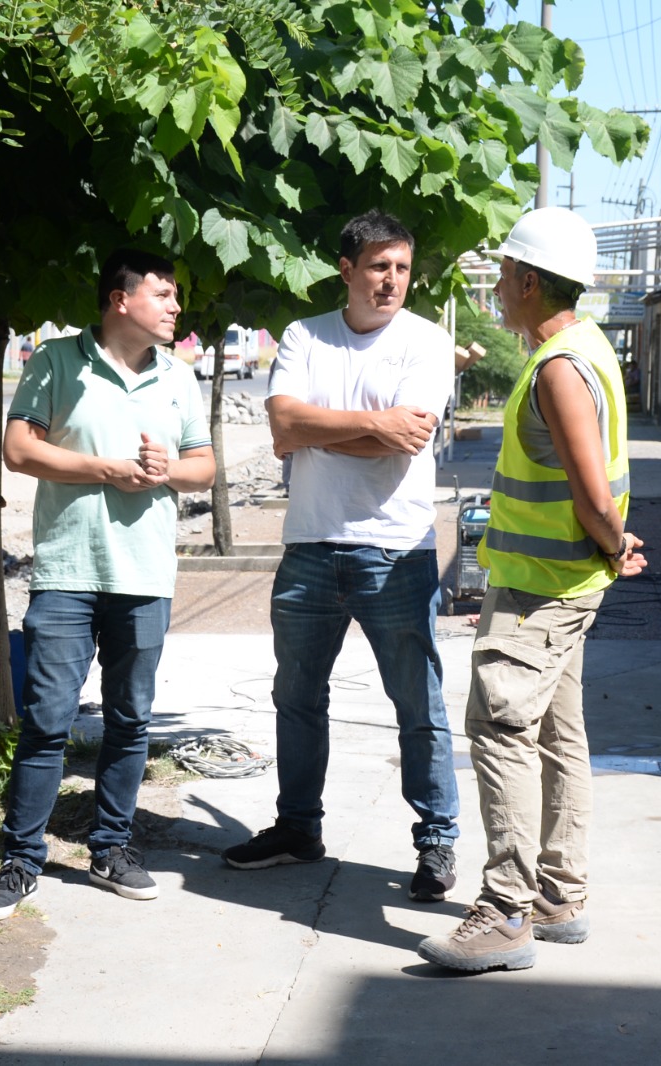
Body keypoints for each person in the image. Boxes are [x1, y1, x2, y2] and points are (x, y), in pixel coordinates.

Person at [418, 207, 643, 973]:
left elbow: (591, 492)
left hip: (540, 592)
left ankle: (507, 910)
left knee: (501, 729)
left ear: (529, 282)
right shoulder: (586, 349)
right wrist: (613, 545)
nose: (497, 285)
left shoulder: (557, 368)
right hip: (562, 581)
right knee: (556, 733)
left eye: (505, 272)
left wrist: (614, 541)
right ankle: (558, 897)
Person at [221, 210, 461, 903]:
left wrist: (315, 430)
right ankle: (298, 828)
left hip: (398, 551)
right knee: (296, 697)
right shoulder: (305, 335)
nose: (392, 280)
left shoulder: (427, 341)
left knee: (417, 704)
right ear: (347, 269)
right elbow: (281, 421)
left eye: (402, 268)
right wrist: (373, 424)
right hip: (311, 545)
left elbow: (408, 438)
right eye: (380, 267)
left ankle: (437, 839)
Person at [0, 250, 216, 921]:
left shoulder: (179, 376)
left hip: (145, 574)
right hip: (67, 572)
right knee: (47, 720)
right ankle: (22, 860)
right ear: (120, 299)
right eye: (163, 294)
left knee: (130, 721)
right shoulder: (55, 361)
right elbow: (18, 450)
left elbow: (204, 466)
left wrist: (167, 469)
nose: (175, 307)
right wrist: (108, 469)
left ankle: (111, 848)